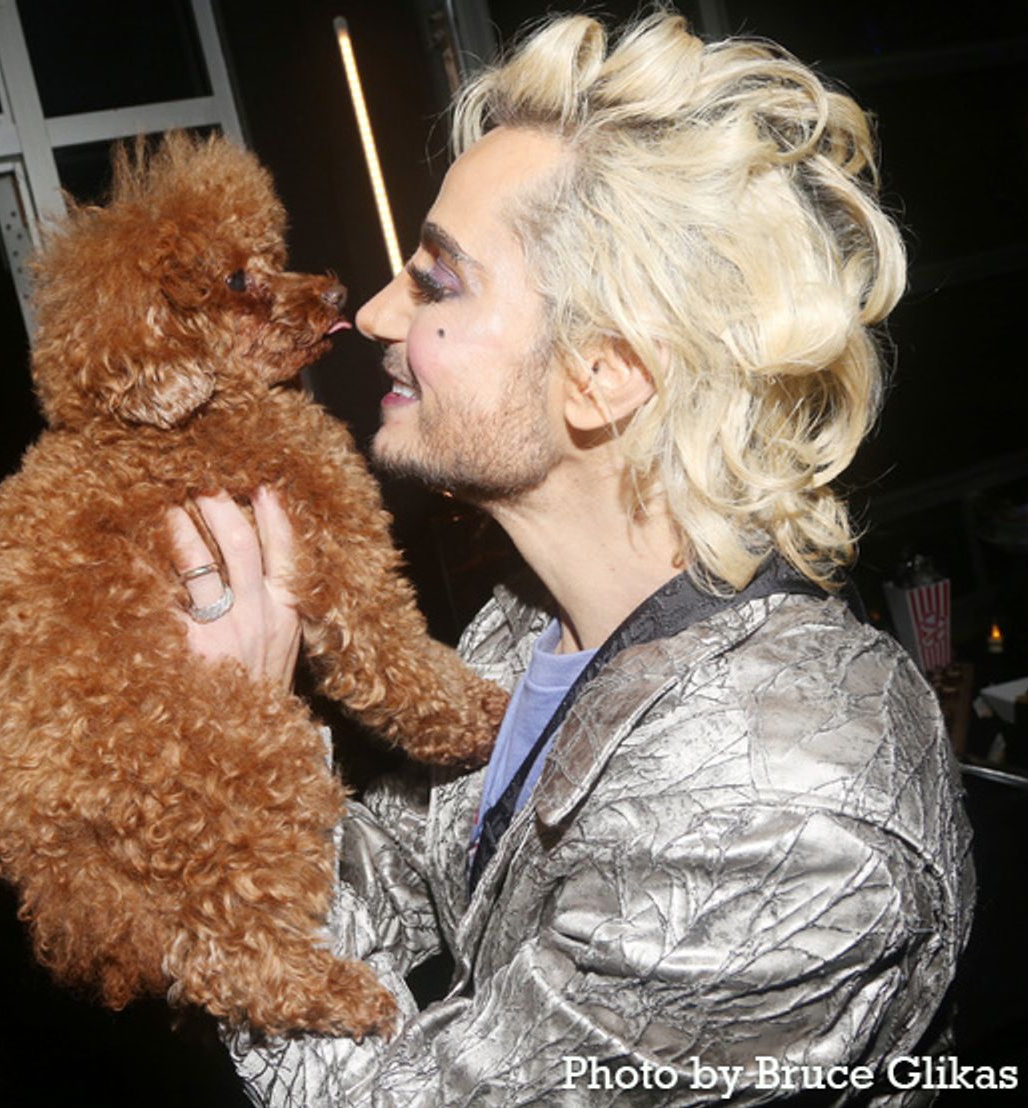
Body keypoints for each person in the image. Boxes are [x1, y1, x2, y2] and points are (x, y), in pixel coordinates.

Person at [167, 8, 974, 1104]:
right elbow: (376, 884)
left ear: (601, 373)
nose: (367, 313)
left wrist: (239, 739)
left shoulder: (783, 801)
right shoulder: (522, 625)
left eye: (436, 283)